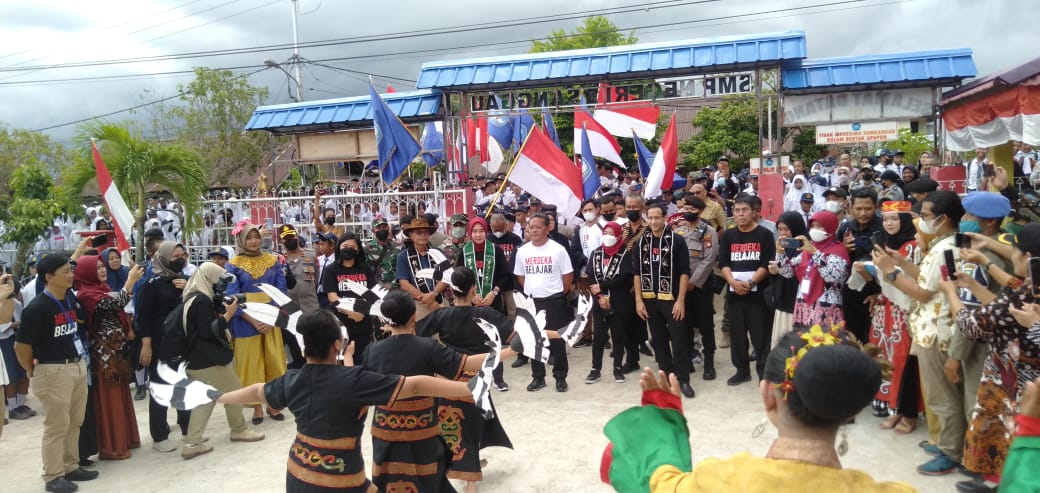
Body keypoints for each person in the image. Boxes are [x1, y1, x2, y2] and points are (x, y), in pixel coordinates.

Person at [600, 326, 914, 493]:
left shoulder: (716, 481)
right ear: (851, 409)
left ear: (768, 395)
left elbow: (656, 479)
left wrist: (662, 415)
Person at [214, 309, 476, 493]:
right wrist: (469, 388)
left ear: (304, 347)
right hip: (341, 480)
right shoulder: (355, 381)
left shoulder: (292, 379)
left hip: (298, 472)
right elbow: (416, 384)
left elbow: (258, 392)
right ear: (337, 344)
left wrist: (218, 397)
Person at [936, 224, 1040, 492]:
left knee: (1011, 433)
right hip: (1020, 379)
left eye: (1014, 250)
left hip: (1015, 381)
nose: (1011, 255)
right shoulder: (1029, 289)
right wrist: (972, 281)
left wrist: (952, 294)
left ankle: (1003, 482)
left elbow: (972, 324)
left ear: (1027, 257)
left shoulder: (1025, 295)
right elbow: (1001, 302)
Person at [872, 190, 968, 476]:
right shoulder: (943, 244)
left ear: (943, 218)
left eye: (925, 216)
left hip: (936, 332)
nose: (920, 222)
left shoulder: (945, 248)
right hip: (930, 329)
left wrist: (891, 274)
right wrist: (900, 263)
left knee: (943, 397)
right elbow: (928, 279)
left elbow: (924, 293)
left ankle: (951, 452)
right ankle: (948, 444)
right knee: (942, 394)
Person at [365, 288, 498, 492]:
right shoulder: (426, 347)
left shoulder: (372, 351)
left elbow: (358, 385)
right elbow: (466, 363)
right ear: (413, 317)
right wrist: (507, 351)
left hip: (385, 432)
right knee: (428, 480)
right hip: (421, 429)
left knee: (389, 480)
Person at [14, 255, 99, 493]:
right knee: (56, 426)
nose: (71, 274)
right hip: (52, 370)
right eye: (65, 271)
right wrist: (31, 370)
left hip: (76, 364)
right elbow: (21, 347)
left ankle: (70, 465)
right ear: (49, 276)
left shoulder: (68, 300)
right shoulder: (37, 308)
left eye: (70, 270)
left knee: (75, 421)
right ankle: (53, 476)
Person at [180, 262, 265, 460]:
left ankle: (192, 442)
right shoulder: (201, 301)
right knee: (236, 393)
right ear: (209, 278)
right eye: (218, 280)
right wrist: (229, 314)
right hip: (208, 360)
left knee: (206, 400)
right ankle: (239, 429)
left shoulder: (192, 297)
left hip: (196, 360)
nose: (220, 285)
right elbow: (207, 332)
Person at [73, 255, 144, 460]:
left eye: (102, 266)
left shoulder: (101, 289)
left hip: (116, 355)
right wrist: (130, 282)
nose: (102, 270)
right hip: (105, 359)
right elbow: (115, 304)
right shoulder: (87, 294)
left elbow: (119, 301)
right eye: (97, 267)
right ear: (86, 272)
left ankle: (126, 438)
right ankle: (112, 446)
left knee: (120, 394)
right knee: (110, 397)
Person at [860, 201, 922, 429]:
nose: (889, 223)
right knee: (883, 353)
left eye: (895, 219)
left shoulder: (913, 246)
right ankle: (887, 402)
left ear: (905, 221)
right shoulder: (883, 245)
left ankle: (903, 408)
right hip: (885, 308)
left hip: (904, 308)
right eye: (886, 219)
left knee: (901, 356)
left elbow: (914, 280)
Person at [224, 223, 289, 425]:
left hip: (270, 318)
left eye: (256, 237)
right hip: (245, 320)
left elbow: (281, 292)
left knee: (273, 361)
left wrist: (271, 319)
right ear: (242, 239)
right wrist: (252, 319)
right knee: (250, 364)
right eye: (249, 237)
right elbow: (231, 296)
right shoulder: (233, 264)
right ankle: (256, 407)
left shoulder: (274, 261)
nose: (253, 241)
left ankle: (272, 403)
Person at [134, 241, 192, 453]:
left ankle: (188, 428)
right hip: (160, 342)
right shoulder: (150, 285)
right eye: (175, 256)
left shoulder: (185, 280)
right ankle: (159, 435)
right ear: (164, 258)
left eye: (182, 255)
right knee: (161, 386)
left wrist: (188, 289)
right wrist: (146, 345)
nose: (180, 259)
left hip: (183, 340)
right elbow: (144, 318)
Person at [634, 204, 693, 398]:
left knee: (678, 339)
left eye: (657, 217)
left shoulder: (677, 241)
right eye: (649, 218)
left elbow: (685, 272)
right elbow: (636, 274)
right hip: (650, 299)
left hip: (672, 299)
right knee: (659, 340)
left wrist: (681, 300)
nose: (653, 222)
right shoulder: (641, 243)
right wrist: (638, 301)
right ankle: (666, 377)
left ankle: (683, 379)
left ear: (665, 217)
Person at [718, 195, 776, 385]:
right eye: (737, 210)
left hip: (757, 296)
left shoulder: (765, 235)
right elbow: (724, 263)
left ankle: (763, 372)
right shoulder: (728, 235)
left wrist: (751, 283)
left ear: (754, 212)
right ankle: (742, 370)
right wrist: (733, 283)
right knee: (737, 335)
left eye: (744, 210)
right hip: (734, 294)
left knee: (760, 336)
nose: (740, 214)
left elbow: (766, 264)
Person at [514, 213, 574, 393]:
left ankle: (560, 377)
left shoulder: (558, 249)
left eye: (537, 227)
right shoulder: (523, 251)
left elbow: (568, 276)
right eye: (530, 227)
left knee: (556, 340)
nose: (533, 231)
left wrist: (556, 293)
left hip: (554, 300)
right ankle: (538, 377)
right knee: (534, 340)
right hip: (533, 302)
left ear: (548, 228)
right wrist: (533, 292)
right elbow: (520, 276)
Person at [585, 222, 639, 383]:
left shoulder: (624, 254)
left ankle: (617, 368)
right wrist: (600, 295)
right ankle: (595, 369)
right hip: (599, 301)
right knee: (599, 337)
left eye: (611, 233)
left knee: (618, 336)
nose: (607, 236)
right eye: (605, 232)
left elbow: (624, 279)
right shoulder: (596, 253)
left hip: (619, 301)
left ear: (618, 236)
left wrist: (602, 286)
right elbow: (591, 276)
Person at [775, 211, 849, 327]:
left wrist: (814, 251)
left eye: (819, 226)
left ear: (830, 226)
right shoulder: (806, 251)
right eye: (812, 226)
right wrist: (780, 253)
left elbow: (831, 275)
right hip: (803, 306)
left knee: (824, 342)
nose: (814, 229)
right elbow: (787, 272)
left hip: (826, 308)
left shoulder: (838, 250)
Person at [837, 188, 884, 343]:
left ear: (876, 207)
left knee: (873, 338)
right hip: (850, 292)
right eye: (858, 209)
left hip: (876, 292)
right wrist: (843, 248)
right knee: (851, 336)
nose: (863, 213)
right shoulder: (845, 228)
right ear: (851, 208)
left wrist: (880, 294)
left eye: (868, 208)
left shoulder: (885, 227)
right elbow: (836, 257)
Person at [324, 233, 377, 365]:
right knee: (341, 360)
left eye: (352, 246)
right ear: (339, 248)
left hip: (363, 321)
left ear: (358, 249)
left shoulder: (365, 269)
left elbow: (372, 294)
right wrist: (351, 312)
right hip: (341, 322)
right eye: (345, 246)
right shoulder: (331, 270)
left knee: (362, 360)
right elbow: (332, 296)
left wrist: (360, 311)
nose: (348, 248)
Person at [767, 212, 810, 348]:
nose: (782, 233)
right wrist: (773, 271)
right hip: (782, 301)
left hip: (798, 302)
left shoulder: (806, 247)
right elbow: (778, 270)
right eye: (779, 229)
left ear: (796, 228)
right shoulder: (780, 246)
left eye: (786, 229)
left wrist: (781, 268)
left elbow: (796, 270)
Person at [279, 225, 318, 369]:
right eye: (286, 238)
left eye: (292, 236)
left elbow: (317, 279)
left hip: (310, 309)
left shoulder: (311, 256)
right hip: (289, 312)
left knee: (313, 345)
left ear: (297, 236)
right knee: (294, 348)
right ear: (282, 242)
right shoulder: (280, 260)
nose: (290, 240)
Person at [396, 218, 450, 320]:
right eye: (419, 232)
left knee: (444, 335)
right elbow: (404, 284)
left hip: (440, 300)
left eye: (426, 232)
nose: (423, 235)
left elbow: (446, 276)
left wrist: (433, 295)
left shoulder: (438, 252)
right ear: (411, 235)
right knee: (421, 334)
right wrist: (427, 300)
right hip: (418, 303)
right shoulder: (402, 256)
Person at [455, 217, 508, 315]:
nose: (478, 235)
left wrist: (494, 293)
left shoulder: (496, 250)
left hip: (493, 302)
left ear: (486, 232)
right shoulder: (464, 252)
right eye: (474, 231)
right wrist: (471, 295)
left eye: (481, 231)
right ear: (470, 232)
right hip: (471, 304)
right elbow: (458, 276)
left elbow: (505, 276)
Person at [365, 217, 400, 288]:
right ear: (373, 230)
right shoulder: (367, 249)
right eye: (378, 227)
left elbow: (402, 269)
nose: (382, 229)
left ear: (388, 228)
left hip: (395, 288)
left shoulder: (399, 247)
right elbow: (365, 271)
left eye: (384, 227)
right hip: (376, 289)